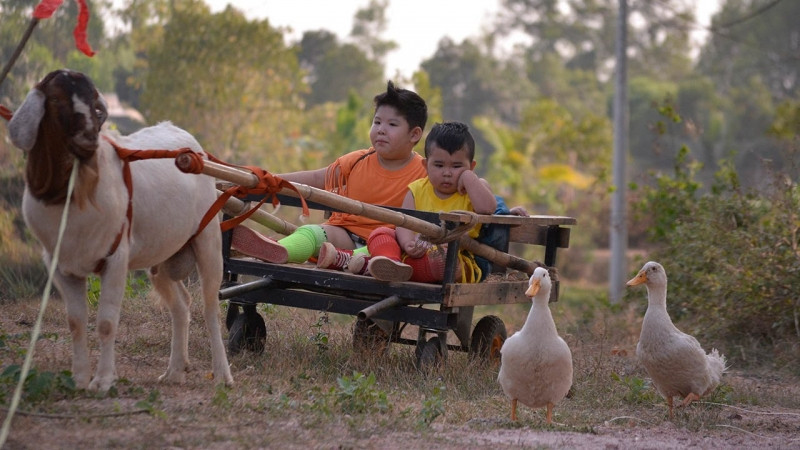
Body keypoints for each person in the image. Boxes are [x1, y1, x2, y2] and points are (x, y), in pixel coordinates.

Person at [229, 81, 428, 265]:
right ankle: (280, 250)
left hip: (386, 245)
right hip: (345, 233)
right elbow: (317, 178)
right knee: (314, 232)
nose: (381, 130)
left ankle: (346, 260)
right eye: (377, 122)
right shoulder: (358, 160)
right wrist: (270, 180)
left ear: (414, 134)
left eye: (392, 125)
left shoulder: (425, 171)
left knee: (383, 246)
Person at [338, 121, 499, 283]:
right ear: (426, 166)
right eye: (439, 165)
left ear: (471, 166)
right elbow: (403, 223)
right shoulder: (417, 190)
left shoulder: (475, 188)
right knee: (382, 233)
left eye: (457, 166)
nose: (447, 173)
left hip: (455, 260)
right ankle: (391, 263)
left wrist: (469, 177)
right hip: (417, 251)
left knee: (440, 262)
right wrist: (408, 243)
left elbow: (487, 208)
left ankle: (369, 266)